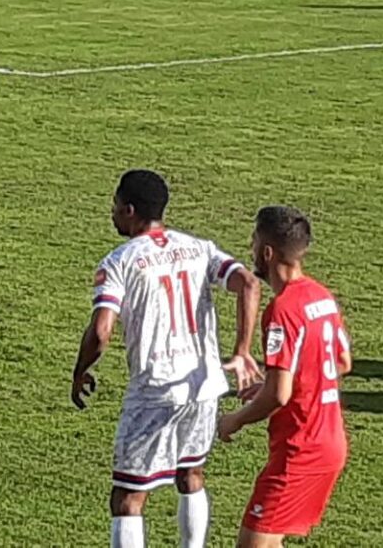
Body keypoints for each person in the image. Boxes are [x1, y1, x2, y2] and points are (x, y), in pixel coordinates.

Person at [72, 169, 263, 548]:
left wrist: (81, 370)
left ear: (129, 210)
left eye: (115, 204)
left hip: (154, 391)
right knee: (191, 475)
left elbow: (102, 331)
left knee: (128, 498)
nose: (112, 212)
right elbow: (249, 282)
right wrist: (242, 350)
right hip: (203, 386)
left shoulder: (119, 261)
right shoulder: (199, 248)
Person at [217, 206, 352, 547]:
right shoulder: (322, 296)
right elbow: (342, 361)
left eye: (253, 241)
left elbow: (279, 395)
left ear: (267, 252)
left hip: (300, 450)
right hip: (330, 442)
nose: (250, 248)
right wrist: (281, 380)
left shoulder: (282, 310)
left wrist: (235, 420)